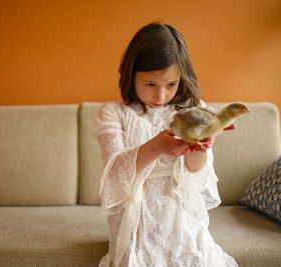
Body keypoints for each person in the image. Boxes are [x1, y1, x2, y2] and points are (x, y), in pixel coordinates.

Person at [95, 22, 238, 267]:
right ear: (131, 75)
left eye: (171, 85)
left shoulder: (193, 110)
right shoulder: (113, 112)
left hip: (180, 215)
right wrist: (155, 147)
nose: (161, 96)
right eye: (150, 84)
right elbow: (115, 177)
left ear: (182, 79)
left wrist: (200, 148)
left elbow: (196, 178)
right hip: (136, 218)